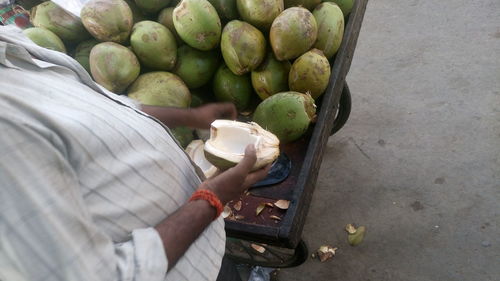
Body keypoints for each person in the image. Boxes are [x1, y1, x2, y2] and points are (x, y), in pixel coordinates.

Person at [0, 25, 269, 281]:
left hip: (202, 238)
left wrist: (189, 116)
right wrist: (212, 198)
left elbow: (99, 107)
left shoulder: (8, 45)